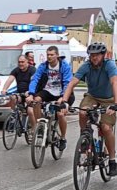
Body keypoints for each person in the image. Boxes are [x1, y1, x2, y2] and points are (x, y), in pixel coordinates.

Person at [59, 42, 117, 176]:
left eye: (97, 55)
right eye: (92, 55)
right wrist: (64, 101)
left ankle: (113, 160)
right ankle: (85, 136)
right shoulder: (86, 66)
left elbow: (114, 82)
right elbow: (72, 83)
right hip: (92, 96)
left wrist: (115, 103)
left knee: (106, 128)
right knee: (83, 112)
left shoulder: (110, 65)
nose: (94, 58)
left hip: (108, 99)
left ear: (103, 55)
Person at [25, 46, 74, 151]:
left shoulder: (64, 66)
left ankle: (63, 138)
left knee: (60, 114)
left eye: (52, 54)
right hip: (49, 91)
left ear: (57, 55)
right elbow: (35, 79)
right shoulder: (44, 66)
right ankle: (40, 126)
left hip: (63, 93)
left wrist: (62, 98)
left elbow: (67, 83)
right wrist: (31, 94)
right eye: (48, 55)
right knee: (36, 101)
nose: (49, 57)